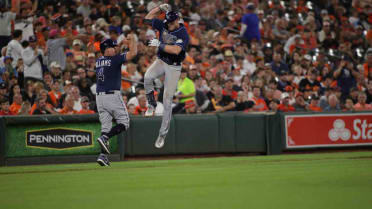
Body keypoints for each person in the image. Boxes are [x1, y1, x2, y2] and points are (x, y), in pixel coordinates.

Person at [143, 5, 189, 149]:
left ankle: (162, 134)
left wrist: (160, 44)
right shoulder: (163, 23)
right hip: (162, 60)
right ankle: (151, 104)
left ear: (176, 21)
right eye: (167, 22)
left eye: (171, 23)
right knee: (147, 77)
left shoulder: (182, 32)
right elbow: (147, 19)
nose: (168, 25)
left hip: (174, 66)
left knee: (167, 100)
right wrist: (159, 9)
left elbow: (176, 50)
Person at [95, 35, 137, 166]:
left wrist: (119, 44)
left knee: (106, 127)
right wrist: (133, 40)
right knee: (125, 123)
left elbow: (114, 53)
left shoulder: (98, 61)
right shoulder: (113, 60)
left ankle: (103, 155)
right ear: (107, 50)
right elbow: (133, 53)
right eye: (112, 47)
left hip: (99, 98)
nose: (115, 49)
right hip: (112, 96)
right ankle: (105, 138)